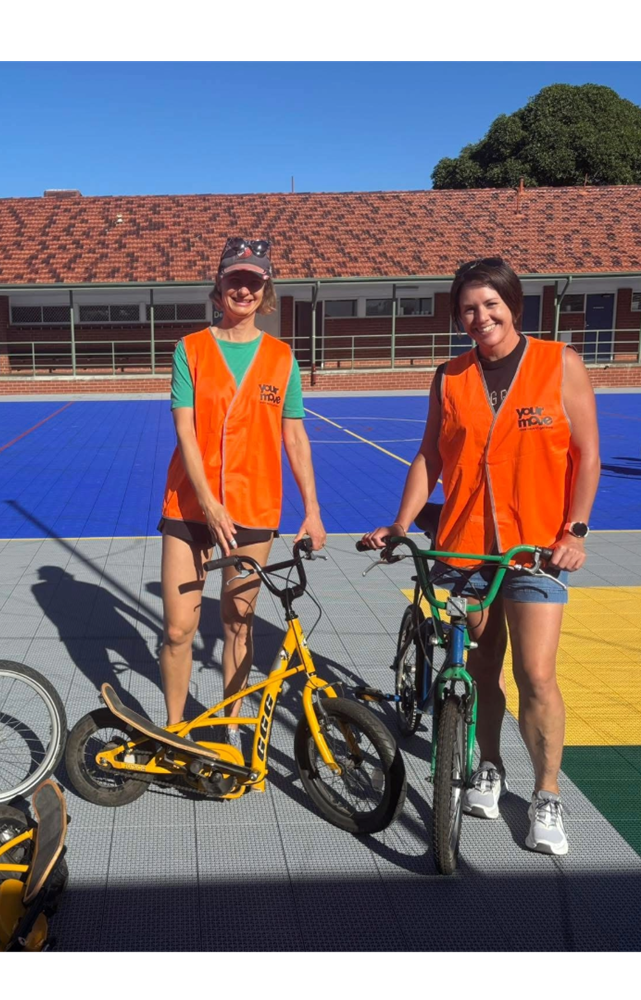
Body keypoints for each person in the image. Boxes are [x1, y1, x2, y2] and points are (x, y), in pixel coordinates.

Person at [361, 257, 600, 855]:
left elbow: (588, 453)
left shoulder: (559, 363)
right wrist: (398, 522)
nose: (481, 317)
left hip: (536, 550)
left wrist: (575, 532)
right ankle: (488, 765)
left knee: (536, 674)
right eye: (468, 308)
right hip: (467, 549)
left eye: (491, 305)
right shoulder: (450, 377)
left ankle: (546, 795)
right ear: (457, 316)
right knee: (482, 670)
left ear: (513, 305)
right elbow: (429, 459)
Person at [158, 238, 327, 742]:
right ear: (219, 284)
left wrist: (313, 511)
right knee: (177, 629)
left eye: (254, 280)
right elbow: (185, 431)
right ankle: (175, 729)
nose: (243, 289)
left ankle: (229, 724)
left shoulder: (281, 357)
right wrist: (209, 503)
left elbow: (294, 435)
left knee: (238, 622)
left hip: (254, 506)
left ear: (265, 289)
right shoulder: (190, 349)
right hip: (191, 506)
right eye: (235, 278)